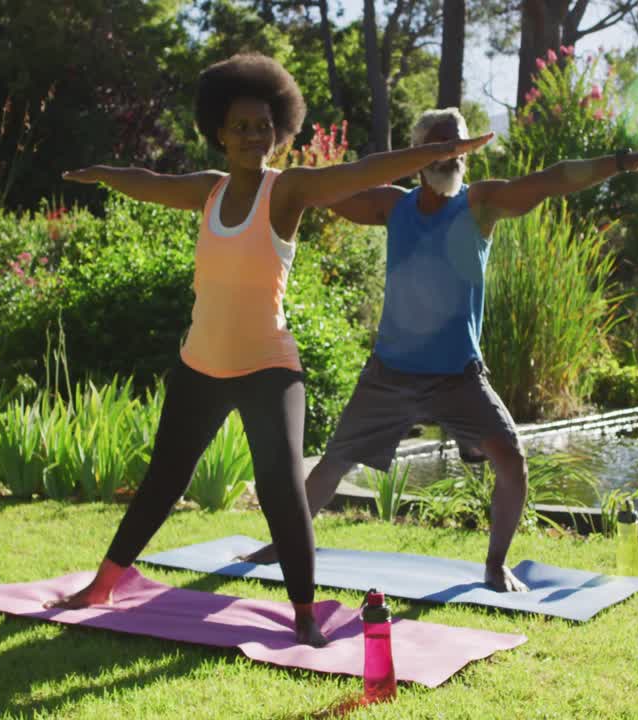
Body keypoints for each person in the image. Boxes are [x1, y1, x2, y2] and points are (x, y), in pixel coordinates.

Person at [42, 56, 492, 645]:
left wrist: (433, 155)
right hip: (200, 365)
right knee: (163, 480)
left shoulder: (291, 190)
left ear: (278, 132)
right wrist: (103, 174)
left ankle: (304, 613)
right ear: (220, 133)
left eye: (264, 126)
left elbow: (362, 171)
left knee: (281, 487)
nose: (255, 136)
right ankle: (102, 583)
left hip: (268, 368)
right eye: (242, 126)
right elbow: (149, 183)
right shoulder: (209, 190)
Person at [243, 107, 638, 592]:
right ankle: (281, 544)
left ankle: (496, 565)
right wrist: (262, 171)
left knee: (511, 461)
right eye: (439, 145)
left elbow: (552, 180)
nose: (451, 156)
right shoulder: (393, 205)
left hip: (459, 376)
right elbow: (323, 192)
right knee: (332, 464)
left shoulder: (481, 204)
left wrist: (621, 162)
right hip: (389, 374)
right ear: (418, 156)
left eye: (458, 145)